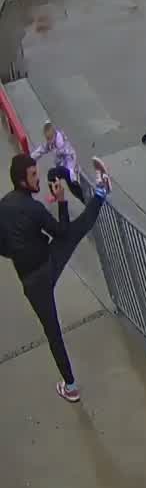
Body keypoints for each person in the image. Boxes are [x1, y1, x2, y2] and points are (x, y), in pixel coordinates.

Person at [0, 154, 107, 402]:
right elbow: (62, 231)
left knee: (53, 333)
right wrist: (61, 202)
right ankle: (101, 192)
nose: (38, 179)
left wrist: (18, 253)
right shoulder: (35, 209)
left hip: (30, 281)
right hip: (48, 263)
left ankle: (70, 387)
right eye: (34, 176)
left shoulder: (2, 208)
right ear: (22, 181)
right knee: (74, 232)